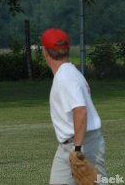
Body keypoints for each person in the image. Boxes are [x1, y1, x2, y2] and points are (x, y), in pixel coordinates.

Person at [40, 28, 107, 184]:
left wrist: (77, 150)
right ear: (67, 49)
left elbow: (80, 110)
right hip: (73, 144)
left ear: (45, 52)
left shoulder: (65, 76)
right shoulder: (70, 72)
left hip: (80, 144)